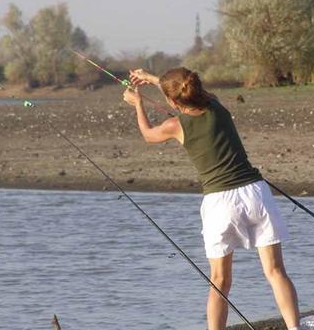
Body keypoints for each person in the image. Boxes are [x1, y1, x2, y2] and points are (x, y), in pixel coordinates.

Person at [123, 67, 300, 330]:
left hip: (219, 203)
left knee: (219, 280)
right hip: (254, 193)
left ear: (173, 101)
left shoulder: (175, 125)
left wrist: (138, 103)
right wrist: (153, 79)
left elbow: (149, 135)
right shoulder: (217, 105)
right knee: (275, 271)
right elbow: (184, 92)